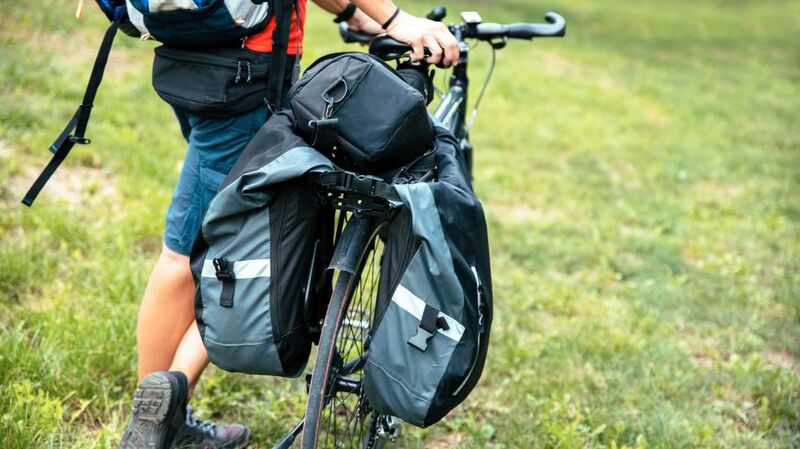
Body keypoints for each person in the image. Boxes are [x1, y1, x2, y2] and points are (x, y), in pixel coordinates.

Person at [117, 1, 459, 448]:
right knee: (204, 251)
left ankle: (159, 414)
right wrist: (397, 20)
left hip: (194, 55)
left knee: (188, 248)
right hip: (247, 72)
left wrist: (351, 11)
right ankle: (159, 414)